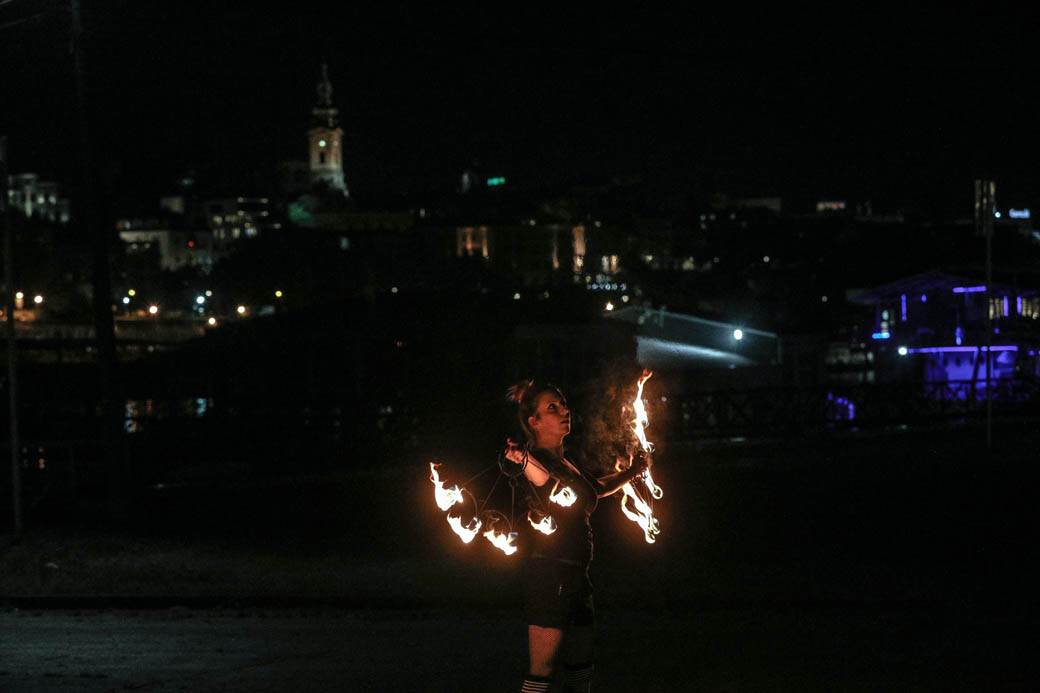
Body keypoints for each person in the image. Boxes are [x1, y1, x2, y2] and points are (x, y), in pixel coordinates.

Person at [504, 380, 649, 693]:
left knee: (581, 668)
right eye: (552, 408)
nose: (564, 411)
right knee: (541, 672)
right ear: (534, 422)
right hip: (550, 577)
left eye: (563, 404)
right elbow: (540, 476)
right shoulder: (537, 460)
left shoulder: (566, 463)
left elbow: (595, 488)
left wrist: (633, 471)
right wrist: (522, 458)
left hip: (577, 577)